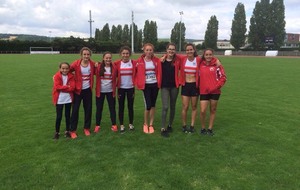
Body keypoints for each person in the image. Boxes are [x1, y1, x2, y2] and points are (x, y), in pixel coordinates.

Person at [199, 48, 227, 136]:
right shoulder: (200, 64)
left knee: (213, 110)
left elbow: (223, 78)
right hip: (203, 91)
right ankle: (203, 128)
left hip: (215, 92)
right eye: (206, 55)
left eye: (210, 54)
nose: (208, 56)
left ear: (213, 55)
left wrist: (216, 87)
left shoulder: (217, 65)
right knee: (203, 110)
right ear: (204, 55)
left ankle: (210, 128)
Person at [69, 47, 95, 139]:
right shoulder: (76, 64)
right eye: (84, 54)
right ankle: (72, 130)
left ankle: (87, 128)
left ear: (90, 55)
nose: (86, 56)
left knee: (88, 110)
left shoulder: (92, 64)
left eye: (88, 54)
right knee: (75, 110)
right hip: (77, 91)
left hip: (88, 90)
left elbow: (100, 69)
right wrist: (57, 76)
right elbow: (66, 71)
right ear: (81, 55)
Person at [136, 43, 162, 134]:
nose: (149, 52)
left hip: (154, 84)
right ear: (144, 50)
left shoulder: (157, 60)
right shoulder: (139, 61)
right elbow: (134, 71)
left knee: (153, 105)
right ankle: (145, 124)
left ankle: (151, 124)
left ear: (153, 51)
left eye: (150, 50)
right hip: (146, 85)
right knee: (148, 105)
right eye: (147, 50)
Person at [160, 43, 181, 137]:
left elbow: (191, 56)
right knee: (165, 107)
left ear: (175, 51)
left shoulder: (178, 60)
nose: (171, 51)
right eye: (169, 49)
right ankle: (162, 128)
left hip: (174, 87)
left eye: (173, 49)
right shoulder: (161, 60)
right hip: (164, 87)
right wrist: (164, 56)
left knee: (173, 106)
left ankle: (169, 125)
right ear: (166, 50)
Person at [114, 46, 137, 133]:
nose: (125, 55)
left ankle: (131, 124)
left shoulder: (134, 63)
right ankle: (122, 125)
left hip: (131, 88)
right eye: (123, 53)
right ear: (120, 54)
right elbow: (106, 64)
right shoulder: (117, 63)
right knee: (121, 107)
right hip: (121, 88)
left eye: (127, 53)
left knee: (130, 106)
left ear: (129, 54)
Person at [179, 43, 201, 133]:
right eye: (187, 50)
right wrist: (164, 56)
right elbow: (172, 54)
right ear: (186, 51)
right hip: (185, 85)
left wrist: (217, 61)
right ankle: (184, 125)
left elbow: (209, 58)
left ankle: (192, 126)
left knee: (194, 106)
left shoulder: (198, 59)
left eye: (191, 49)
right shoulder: (183, 59)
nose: (189, 51)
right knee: (185, 106)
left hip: (194, 86)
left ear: (194, 50)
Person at [94, 52, 117, 133]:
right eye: (106, 58)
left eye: (109, 58)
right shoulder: (98, 67)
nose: (108, 59)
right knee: (99, 109)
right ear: (103, 58)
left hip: (111, 92)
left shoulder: (114, 67)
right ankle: (97, 125)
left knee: (112, 109)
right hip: (100, 92)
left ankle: (114, 125)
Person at [52, 62, 75, 139]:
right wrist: (67, 87)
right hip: (59, 99)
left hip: (68, 99)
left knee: (67, 116)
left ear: (69, 69)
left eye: (66, 68)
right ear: (60, 69)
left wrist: (63, 87)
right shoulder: (57, 76)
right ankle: (57, 132)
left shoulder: (71, 76)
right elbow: (57, 87)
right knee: (59, 116)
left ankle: (67, 131)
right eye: (63, 68)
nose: (65, 70)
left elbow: (72, 88)